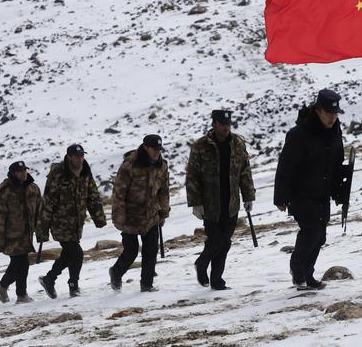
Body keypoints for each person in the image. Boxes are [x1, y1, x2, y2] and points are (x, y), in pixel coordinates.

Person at [274, 89, 345, 291]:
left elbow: (337, 163)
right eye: (329, 113)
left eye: (335, 114)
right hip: (301, 193)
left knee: (320, 235)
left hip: (323, 192)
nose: (332, 118)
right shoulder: (299, 134)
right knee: (311, 231)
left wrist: (340, 188)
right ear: (318, 110)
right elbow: (285, 166)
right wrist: (281, 196)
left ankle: (308, 274)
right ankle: (298, 271)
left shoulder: (335, 133)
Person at [185, 110, 255, 290]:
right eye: (222, 125)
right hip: (210, 204)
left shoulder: (237, 143)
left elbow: (245, 171)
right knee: (217, 241)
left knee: (225, 242)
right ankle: (202, 263)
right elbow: (192, 176)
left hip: (231, 203)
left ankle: (216, 280)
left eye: (228, 125)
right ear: (214, 124)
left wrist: (248, 196)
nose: (226, 128)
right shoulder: (201, 146)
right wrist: (196, 202)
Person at [35, 144, 107, 298]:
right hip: (59, 223)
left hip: (77, 223)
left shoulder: (85, 172)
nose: (79, 159)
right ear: (69, 157)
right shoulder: (58, 174)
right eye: (76, 156)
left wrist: (99, 218)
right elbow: (48, 201)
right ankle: (73, 285)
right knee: (77, 253)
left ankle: (49, 279)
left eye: (81, 156)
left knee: (69, 254)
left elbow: (92, 195)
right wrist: (42, 229)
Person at [108, 134, 170, 292]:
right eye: (154, 149)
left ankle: (147, 284)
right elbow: (119, 193)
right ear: (145, 147)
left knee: (151, 251)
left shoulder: (162, 165)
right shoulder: (129, 165)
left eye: (159, 149)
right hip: (130, 216)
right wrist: (119, 217)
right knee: (131, 252)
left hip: (151, 215)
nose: (157, 153)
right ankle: (116, 272)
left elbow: (163, 191)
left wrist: (163, 212)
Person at [0, 160, 42, 304]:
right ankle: (21, 295)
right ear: (13, 173)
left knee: (17, 264)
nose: (23, 173)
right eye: (19, 171)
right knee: (22, 263)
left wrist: (41, 229)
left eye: (24, 170)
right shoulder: (5, 190)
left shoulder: (33, 188)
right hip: (11, 234)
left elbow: (39, 210)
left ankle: (2, 286)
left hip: (27, 233)